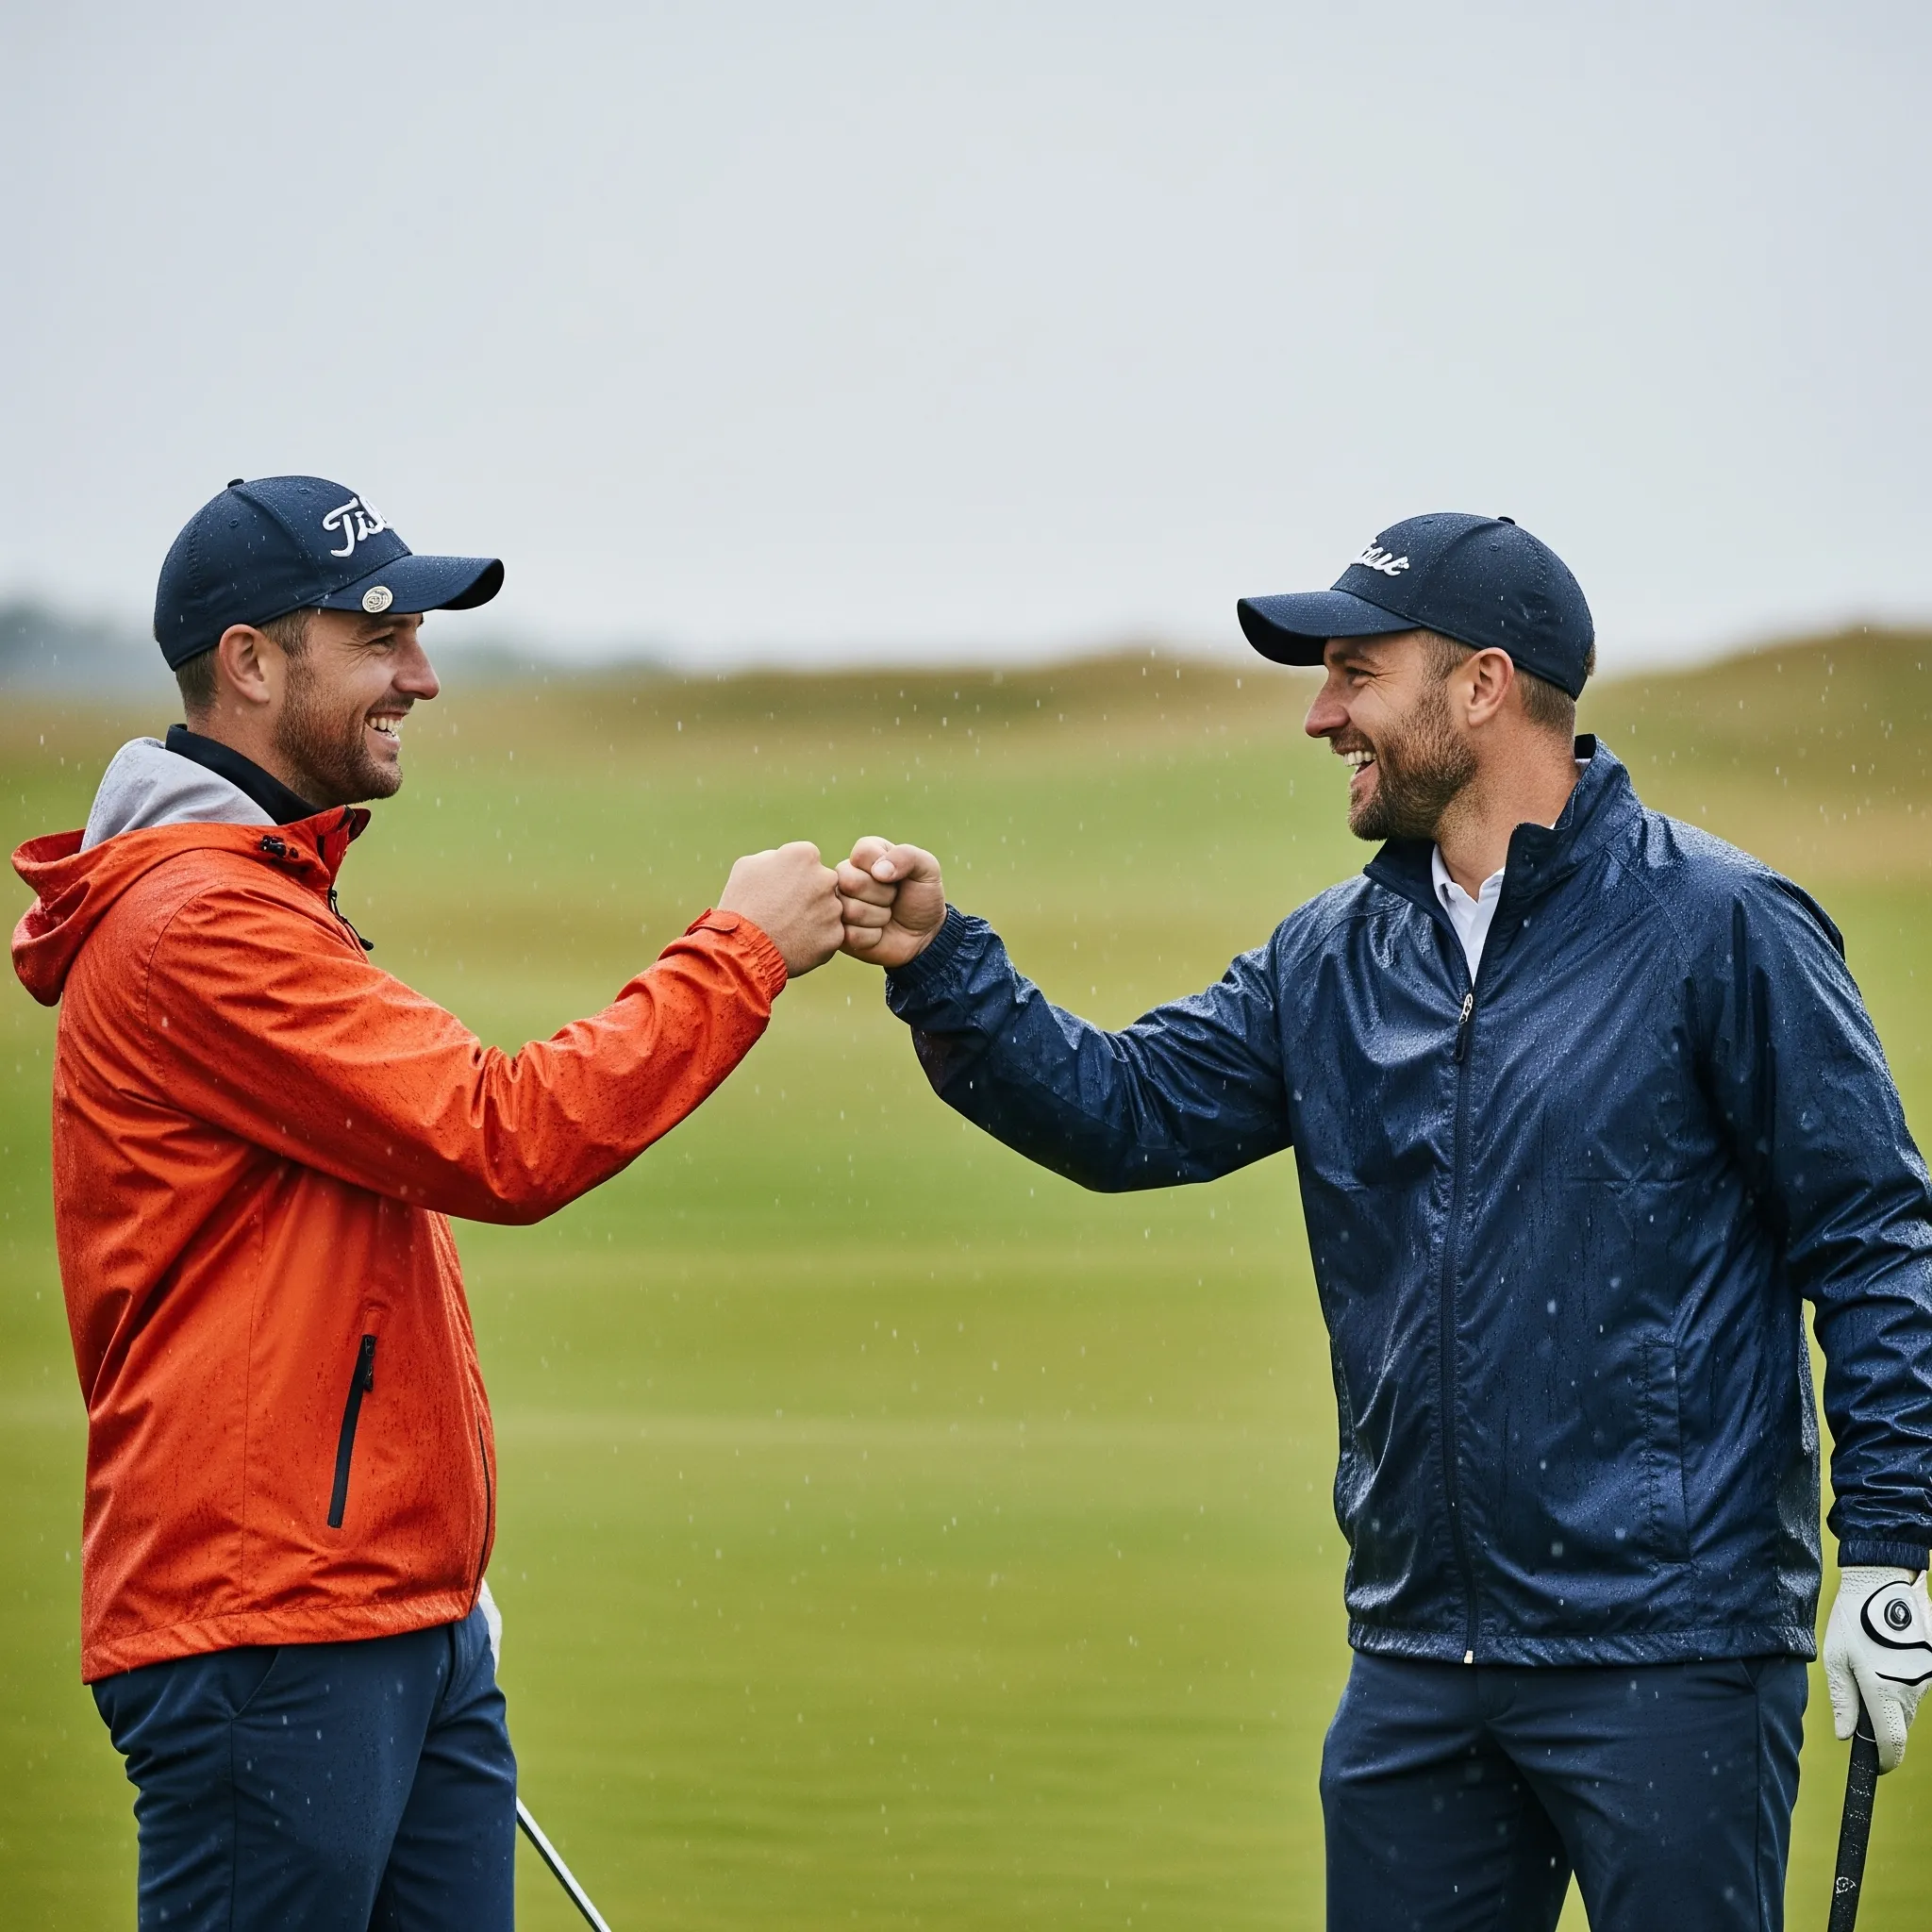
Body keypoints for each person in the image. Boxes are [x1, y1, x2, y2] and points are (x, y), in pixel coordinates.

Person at [834, 512, 1932, 1932]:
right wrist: (942, 965)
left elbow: (1875, 1239)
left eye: (1357, 674)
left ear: (1481, 686)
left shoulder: (1721, 927)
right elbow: (1127, 1111)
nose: (1320, 715)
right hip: (1421, 1662)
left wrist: (1893, 1549)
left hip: (1671, 1656)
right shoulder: (1331, 959)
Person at [9, 475, 845, 1930]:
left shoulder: (268, 892)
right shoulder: (203, 924)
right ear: (250, 663)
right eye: (379, 636)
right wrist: (738, 953)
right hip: (272, 1625)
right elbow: (502, 1135)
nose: (423, 673)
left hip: (391, 1613)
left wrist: (433, 1591)